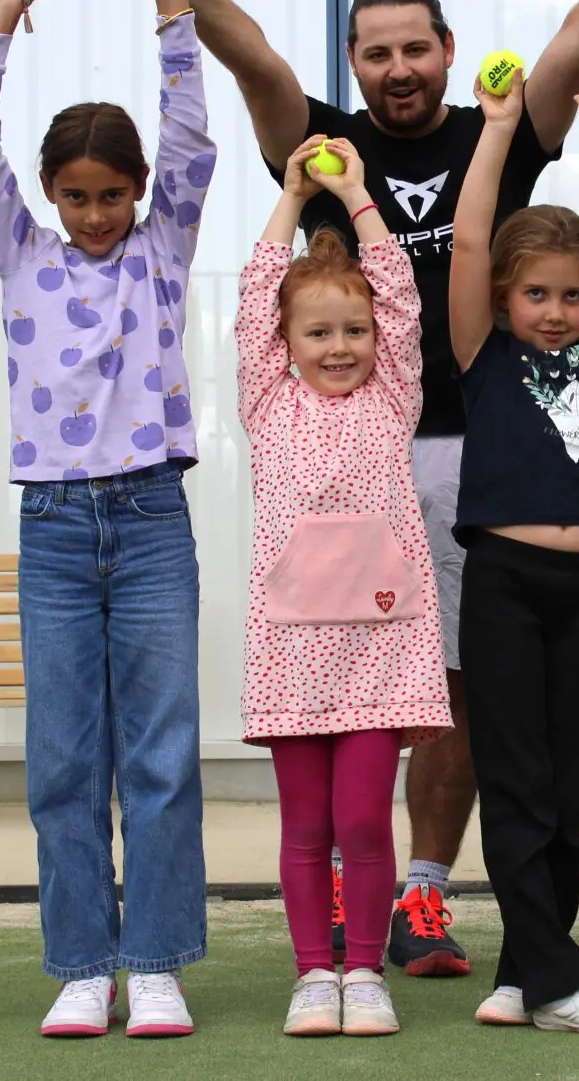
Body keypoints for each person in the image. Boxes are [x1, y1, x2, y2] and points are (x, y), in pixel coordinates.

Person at [116, 0, 579, 974]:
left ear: (445, 50)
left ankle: (422, 894)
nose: (397, 69)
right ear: (354, 60)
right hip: (352, 473)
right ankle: (348, 892)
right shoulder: (323, 143)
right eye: (376, 53)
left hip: (484, 459)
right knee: (353, 694)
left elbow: (574, 37)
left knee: (452, 694)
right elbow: (252, 66)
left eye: (414, 49)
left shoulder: (499, 128)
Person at [0, 0, 215, 1038]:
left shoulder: (162, 244)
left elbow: (193, 135)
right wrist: (7, 10)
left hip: (152, 516)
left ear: (140, 192)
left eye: (115, 194)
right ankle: (79, 961)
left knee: (158, 751)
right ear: (50, 193)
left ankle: (151, 957)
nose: (98, 214)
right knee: (62, 758)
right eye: (79, 195)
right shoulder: (21, 251)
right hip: (53, 526)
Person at [448, 53, 579, 1035]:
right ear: (502, 296)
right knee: (517, 781)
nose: (559, 311)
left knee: (562, 788)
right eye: (537, 294)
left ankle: (526, 969)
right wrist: (496, 128)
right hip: (501, 583)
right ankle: (564, 978)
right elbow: (467, 235)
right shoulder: (479, 351)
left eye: (573, 295)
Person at [235, 135, 454, 1038]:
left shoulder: (392, 397)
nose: (340, 346)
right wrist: (291, 197)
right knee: (304, 829)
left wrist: (360, 197)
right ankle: (309, 974)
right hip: (292, 643)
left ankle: (363, 969)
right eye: (317, 332)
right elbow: (254, 297)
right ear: (284, 343)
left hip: (378, 643)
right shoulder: (267, 400)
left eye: (353, 331)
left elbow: (399, 294)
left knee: (364, 821)